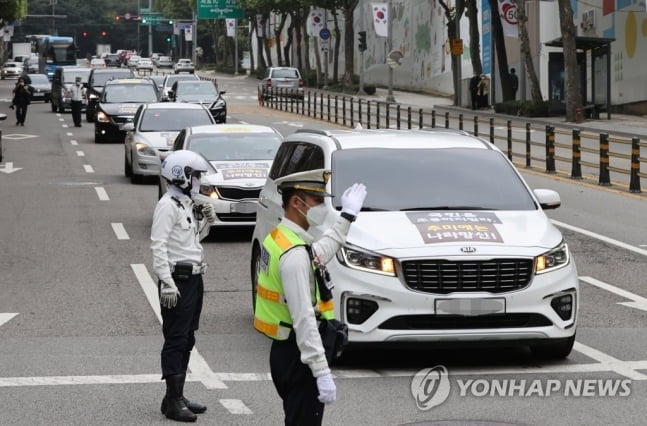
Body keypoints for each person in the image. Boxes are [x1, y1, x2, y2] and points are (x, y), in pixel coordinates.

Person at [254, 169, 367, 425]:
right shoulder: (293, 254)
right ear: (297, 202)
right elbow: (304, 318)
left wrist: (348, 217)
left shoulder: (281, 238)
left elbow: (318, 252)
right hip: (299, 358)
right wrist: (321, 371)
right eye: (317, 201)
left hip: (286, 352)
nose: (323, 208)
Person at [151, 150, 216, 422]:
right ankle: (174, 399)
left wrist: (207, 221)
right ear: (182, 176)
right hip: (178, 281)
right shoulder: (167, 206)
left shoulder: (185, 204)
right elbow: (159, 246)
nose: (199, 180)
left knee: (188, 337)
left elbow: (192, 243)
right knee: (176, 339)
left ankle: (174, 396)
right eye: (196, 175)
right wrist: (166, 282)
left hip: (194, 279)